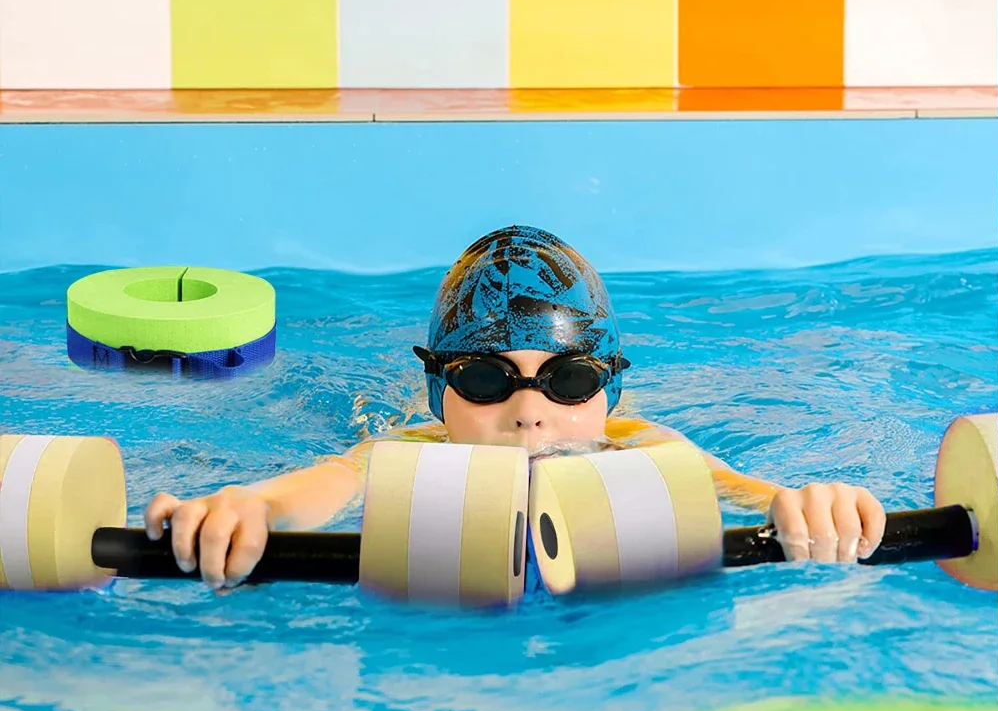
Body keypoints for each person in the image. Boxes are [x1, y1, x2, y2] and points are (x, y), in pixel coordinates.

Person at [145, 226, 886, 593]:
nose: (531, 413)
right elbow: (329, 483)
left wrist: (811, 504)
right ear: (440, 394)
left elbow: (742, 490)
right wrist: (251, 506)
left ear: (607, 394)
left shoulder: (639, 443)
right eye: (485, 379)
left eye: (567, 381)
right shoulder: (413, 448)